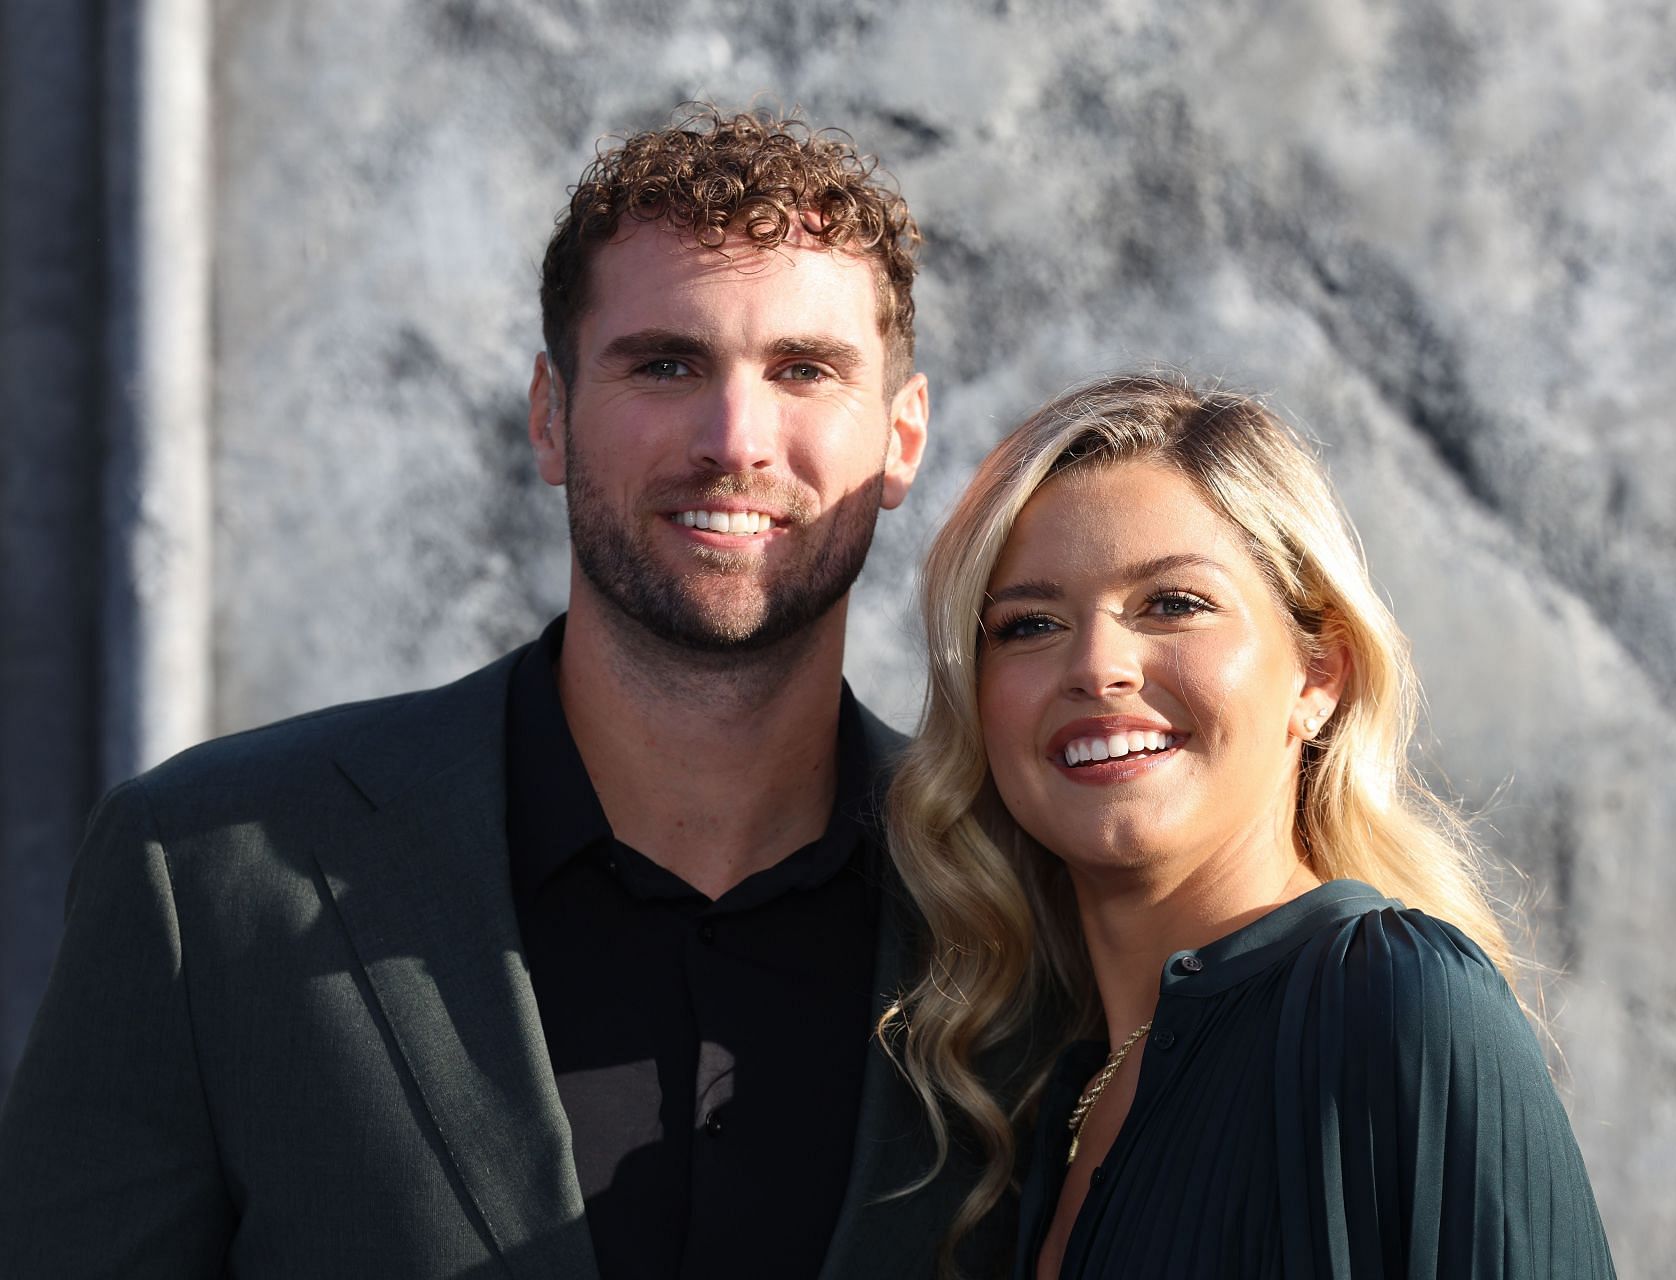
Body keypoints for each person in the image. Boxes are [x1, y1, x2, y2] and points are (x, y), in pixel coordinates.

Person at [0, 106, 1020, 1279]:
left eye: (804, 369)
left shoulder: (1012, 906)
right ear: (550, 416)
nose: (735, 436)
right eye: (666, 363)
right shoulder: (208, 876)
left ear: (901, 438)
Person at [882, 373, 1616, 1278]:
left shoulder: (1395, 1004)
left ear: (1320, 675)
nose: (1098, 666)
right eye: (1030, 624)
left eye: (1173, 603)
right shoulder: (1060, 1093)